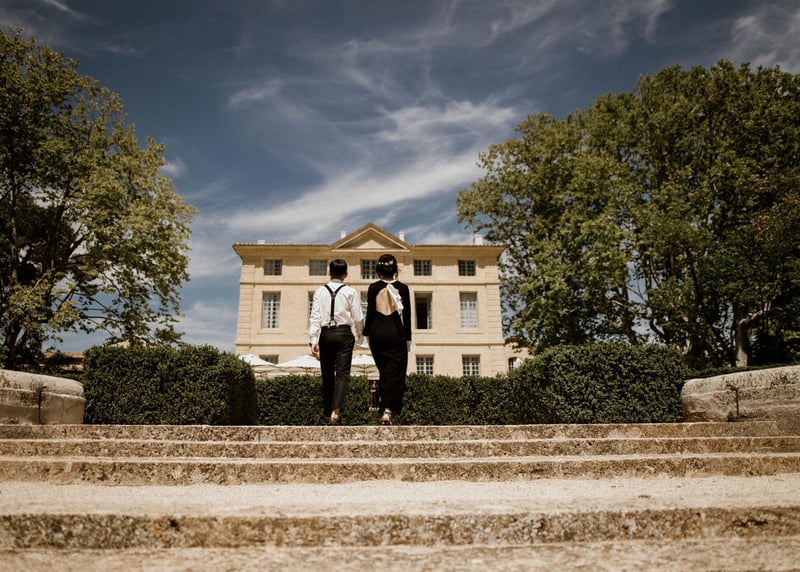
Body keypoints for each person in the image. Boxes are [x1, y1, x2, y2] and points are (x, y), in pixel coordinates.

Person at [309, 259, 363, 425]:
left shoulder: (319, 291)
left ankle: (328, 413)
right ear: (345, 274)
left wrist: (313, 340)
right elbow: (358, 317)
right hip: (344, 333)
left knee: (327, 374)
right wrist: (360, 335)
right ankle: (335, 412)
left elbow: (314, 317)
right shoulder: (350, 292)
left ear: (328, 272)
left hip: (325, 334)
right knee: (342, 374)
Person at [363, 253, 412, 425]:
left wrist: (366, 334)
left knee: (384, 371)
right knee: (396, 372)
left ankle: (384, 407)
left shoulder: (373, 287)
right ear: (395, 270)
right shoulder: (403, 288)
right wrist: (408, 338)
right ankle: (388, 410)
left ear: (378, 270)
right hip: (395, 331)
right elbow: (407, 316)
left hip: (377, 332)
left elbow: (370, 313)